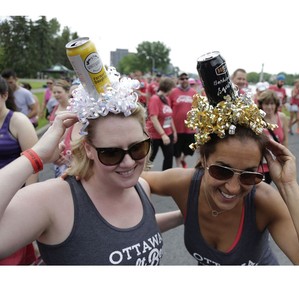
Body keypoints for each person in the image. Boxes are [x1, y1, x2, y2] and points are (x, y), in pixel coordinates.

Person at [142, 56, 299, 265]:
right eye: (222, 171)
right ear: (204, 158)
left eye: (249, 175)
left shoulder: (263, 200)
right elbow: (134, 179)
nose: (234, 187)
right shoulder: (184, 183)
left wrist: (288, 186)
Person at [0, 68, 182, 265]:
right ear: (88, 149)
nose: (129, 162)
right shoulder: (54, 200)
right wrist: (36, 155)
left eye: (138, 147)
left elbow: (135, 233)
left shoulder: (140, 188)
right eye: (111, 153)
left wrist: (183, 216)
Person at [0, 77, 38, 265]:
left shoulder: (18, 121)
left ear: (4, 95)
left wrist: (26, 199)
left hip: (13, 198)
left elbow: (33, 163)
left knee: (12, 257)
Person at [257, 89, 289, 184]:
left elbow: (285, 140)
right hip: (258, 163)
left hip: (274, 163)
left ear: (276, 105)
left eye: (272, 104)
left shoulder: (282, 117)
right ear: (261, 105)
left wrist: (285, 159)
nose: (269, 107)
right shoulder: (256, 118)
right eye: (266, 104)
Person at [146, 77, 177, 171]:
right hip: (155, 135)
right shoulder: (155, 99)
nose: (174, 90)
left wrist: (174, 132)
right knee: (150, 159)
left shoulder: (166, 99)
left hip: (168, 132)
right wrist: (162, 134)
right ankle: (143, 178)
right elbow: (153, 118)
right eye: (173, 88)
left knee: (169, 157)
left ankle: (166, 179)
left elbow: (169, 116)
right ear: (169, 88)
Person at [170, 73, 197, 168]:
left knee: (191, 148)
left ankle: (183, 159)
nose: (184, 80)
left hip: (190, 127)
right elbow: (168, 108)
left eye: (186, 78)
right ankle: (178, 167)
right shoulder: (173, 92)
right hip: (177, 127)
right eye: (182, 78)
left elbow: (197, 108)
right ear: (179, 80)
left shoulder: (194, 92)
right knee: (177, 149)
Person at [48, 79, 74, 177]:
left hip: (71, 152)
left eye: (59, 92)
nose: (56, 94)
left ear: (67, 92)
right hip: (57, 151)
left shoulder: (74, 108)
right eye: (54, 92)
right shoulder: (55, 108)